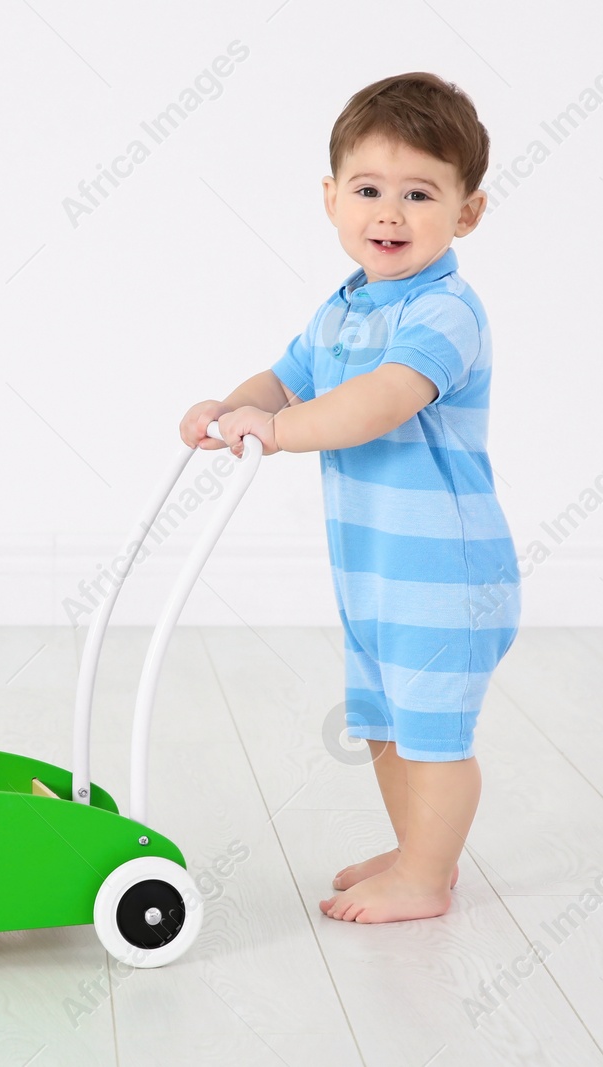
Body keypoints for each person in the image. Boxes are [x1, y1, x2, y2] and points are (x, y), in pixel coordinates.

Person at [179, 72, 520, 923]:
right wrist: (230, 408)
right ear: (332, 199)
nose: (390, 215)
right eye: (369, 191)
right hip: (373, 569)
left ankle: (426, 874)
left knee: (433, 730)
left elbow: (379, 403)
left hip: (445, 571)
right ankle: (418, 851)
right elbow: (286, 379)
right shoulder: (342, 309)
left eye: (419, 194)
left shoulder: (444, 313)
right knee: (381, 718)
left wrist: (278, 431)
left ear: (466, 213)